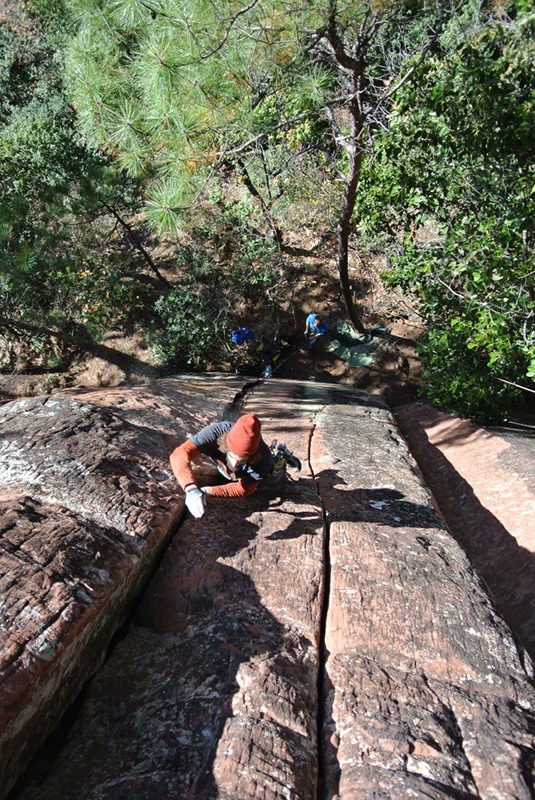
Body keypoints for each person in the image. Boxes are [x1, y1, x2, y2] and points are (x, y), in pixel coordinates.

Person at [170, 414, 273, 518]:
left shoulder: (263, 460)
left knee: (270, 480)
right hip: (224, 468)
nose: (235, 464)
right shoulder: (214, 433)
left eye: (242, 460)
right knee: (224, 473)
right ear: (225, 445)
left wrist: (207, 492)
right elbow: (180, 453)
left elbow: (245, 489)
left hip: (252, 472)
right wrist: (191, 488)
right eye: (232, 456)